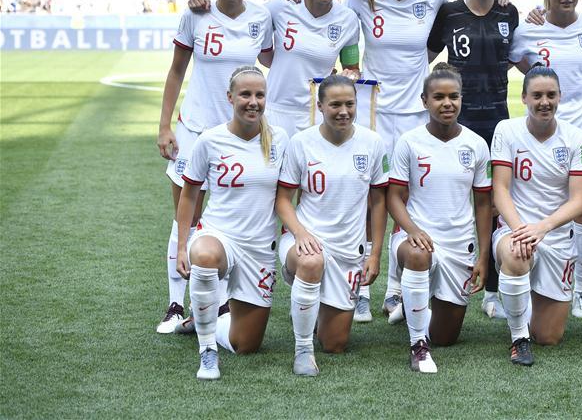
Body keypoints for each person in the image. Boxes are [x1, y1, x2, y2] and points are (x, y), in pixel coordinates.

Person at [156, 0, 273, 333]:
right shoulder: (196, 14)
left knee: (225, 220)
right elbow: (176, 71)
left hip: (240, 137)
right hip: (195, 129)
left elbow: (275, 59)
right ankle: (175, 303)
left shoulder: (263, 16)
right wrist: (165, 125)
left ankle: (216, 305)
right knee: (185, 219)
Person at [344, 0, 448, 321]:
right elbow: (342, 32)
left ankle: (394, 291)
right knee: (366, 201)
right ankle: (359, 290)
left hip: (417, 118)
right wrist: (353, 66)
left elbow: (435, 45)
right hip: (375, 116)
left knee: (407, 202)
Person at [510, 0, 582, 320]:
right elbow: (523, 67)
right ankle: (517, 283)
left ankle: (581, 289)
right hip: (540, 132)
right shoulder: (528, 30)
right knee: (533, 203)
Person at [175, 66, 288, 379]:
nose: (253, 101)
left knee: (245, 344)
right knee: (205, 256)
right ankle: (207, 350)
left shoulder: (280, 139)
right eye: (245, 94)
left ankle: (206, 316)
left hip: (259, 248)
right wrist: (183, 246)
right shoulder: (210, 141)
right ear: (230, 98)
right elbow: (189, 195)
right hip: (219, 235)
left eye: (259, 95)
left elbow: (289, 193)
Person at [426, 0, 519, 321]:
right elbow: (426, 55)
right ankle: (421, 282)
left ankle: (493, 289)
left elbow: (521, 53)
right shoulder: (449, 12)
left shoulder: (509, 12)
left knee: (496, 203)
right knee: (444, 196)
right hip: (458, 119)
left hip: (498, 118)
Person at [274, 75, 389, 376]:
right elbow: (283, 200)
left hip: (349, 251)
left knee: (335, 344)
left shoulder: (373, 143)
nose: (343, 111)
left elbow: (379, 202)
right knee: (311, 261)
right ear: (320, 105)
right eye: (335, 104)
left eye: (349, 104)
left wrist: (374, 254)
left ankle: (311, 311)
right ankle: (302, 351)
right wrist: (300, 233)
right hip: (306, 241)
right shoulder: (301, 143)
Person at [188, 0, 362, 137]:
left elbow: (353, 69)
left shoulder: (349, 20)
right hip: (274, 111)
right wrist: (203, 3)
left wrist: (351, 75)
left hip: (317, 114)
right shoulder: (281, 6)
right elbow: (242, 17)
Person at [387, 63, 492, 373]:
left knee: (445, 337)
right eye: (439, 97)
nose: (447, 103)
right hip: (418, 237)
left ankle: (411, 306)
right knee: (419, 255)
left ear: (462, 99)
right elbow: (394, 196)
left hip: (460, 245)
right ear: (424, 101)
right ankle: (418, 346)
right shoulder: (409, 142)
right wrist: (411, 229)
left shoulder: (475, 144)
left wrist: (484, 257)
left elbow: (484, 204)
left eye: (454, 96)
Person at [490, 65, 582, 366]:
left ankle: (519, 302)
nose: (544, 102)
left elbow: (579, 200)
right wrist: (522, 230)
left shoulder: (576, 138)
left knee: (549, 336)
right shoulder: (506, 131)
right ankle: (518, 337)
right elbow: (500, 190)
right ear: (523, 98)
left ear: (560, 97)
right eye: (537, 95)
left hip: (556, 237)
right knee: (517, 253)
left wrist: (543, 228)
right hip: (515, 231)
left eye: (550, 95)